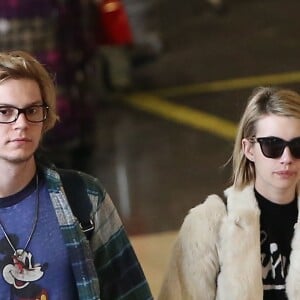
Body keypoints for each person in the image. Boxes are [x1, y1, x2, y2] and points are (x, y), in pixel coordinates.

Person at [0, 50, 153, 299]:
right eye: (4, 112)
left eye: (32, 110)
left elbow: (132, 294)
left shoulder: (83, 197)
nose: (21, 123)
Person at [159, 86, 300, 300]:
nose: (286, 158)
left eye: (297, 146)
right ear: (249, 149)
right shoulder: (209, 224)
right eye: (273, 145)